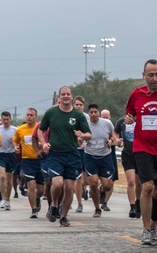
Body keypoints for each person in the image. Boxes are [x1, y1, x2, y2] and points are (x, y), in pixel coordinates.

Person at [126, 60, 157, 246]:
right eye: (150, 75)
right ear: (144, 75)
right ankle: (146, 229)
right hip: (142, 147)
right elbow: (130, 114)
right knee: (147, 186)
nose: (154, 79)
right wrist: (128, 118)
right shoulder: (136, 94)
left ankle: (154, 224)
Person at [39, 87, 92, 227]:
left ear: (71, 96)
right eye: (63, 94)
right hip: (55, 154)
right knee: (57, 184)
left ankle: (64, 216)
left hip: (72, 154)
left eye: (68, 94)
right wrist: (44, 143)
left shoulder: (78, 115)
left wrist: (82, 135)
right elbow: (41, 129)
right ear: (60, 97)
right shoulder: (51, 112)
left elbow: (89, 134)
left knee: (69, 188)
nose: (66, 96)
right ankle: (54, 205)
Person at [83, 103, 118, 217]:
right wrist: (81, 140)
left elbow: (113, 136)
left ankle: (102, 191)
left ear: (98, 113)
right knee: (93, 183)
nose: (93, 114)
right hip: (90, 156)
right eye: (91, 112)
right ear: (89, 114)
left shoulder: (106, 123)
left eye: (95, 112)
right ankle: (97, 208)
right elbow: (80, 140)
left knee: (108, 185)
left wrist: (110, 141)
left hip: (105, 156)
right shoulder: (85, 125)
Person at [14, 108, 44, 218]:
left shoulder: (41, 128)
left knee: (41, 189)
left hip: (40, 160)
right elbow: (15, 140)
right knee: (31, 184)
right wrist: (15, 147)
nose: (29, 117)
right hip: (27, 161)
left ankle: (37, 198)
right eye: (27, 115)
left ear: (36, 117)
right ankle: (34, 209)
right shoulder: (20, 129)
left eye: (32, 115)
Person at [0, 111, 18, 210]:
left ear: (10, 119)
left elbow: (17, 142)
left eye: (7, 119)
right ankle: (3, 199)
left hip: (11, 155)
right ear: (1, 119)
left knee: (9, 180)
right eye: (3, 119)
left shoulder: (15, 130)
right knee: (2, 176)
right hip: (0, 154)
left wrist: (15, 146)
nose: (5, 121)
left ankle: (7, 199)